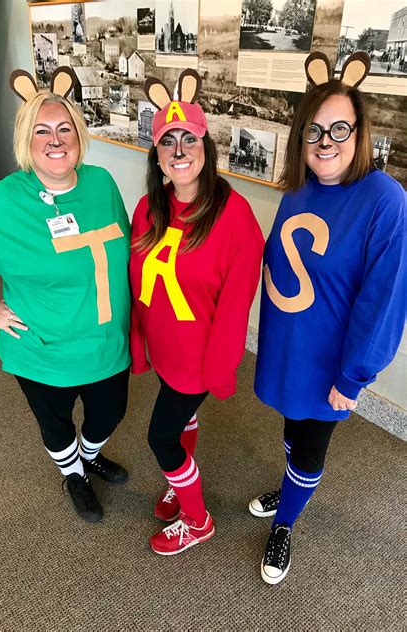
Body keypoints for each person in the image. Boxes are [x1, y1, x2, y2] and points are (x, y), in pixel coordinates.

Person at [0, 67, 131, 523]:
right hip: (42, 349)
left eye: (64, 129)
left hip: (107, 342)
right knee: (56, 424)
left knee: (109, 414)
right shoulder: (1, 201)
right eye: (42, 130)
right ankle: (74, 474)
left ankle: (90, 454)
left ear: (79, 136)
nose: (55, 140)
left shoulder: (100, 182)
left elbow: (124, 251)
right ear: (26, 140)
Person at [251, 52, 406, 584]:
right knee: (294, 425)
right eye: (314, 130)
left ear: (360, 131)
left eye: (340, 127)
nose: (326, 141)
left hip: (330, 358)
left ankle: (286, 524)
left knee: (312, 442)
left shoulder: (385, 199)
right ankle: (290, 484)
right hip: (289, 344)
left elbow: (383, 298)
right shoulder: (299, 188)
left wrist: (354, 374)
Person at [130, 69, 264, 555]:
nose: (180, 150)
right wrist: (140, 343)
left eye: (190, 139)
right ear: (158, 156)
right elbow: (141, 286)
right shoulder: (149, 207)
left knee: (159, 437)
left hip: (197, 359)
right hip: (166, 351)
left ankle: (198, 517)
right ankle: (179, 482)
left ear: (206, 150)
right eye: (169, 142)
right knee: (179, 423)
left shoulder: (235, 218)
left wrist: (218, 369)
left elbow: (235, 308)